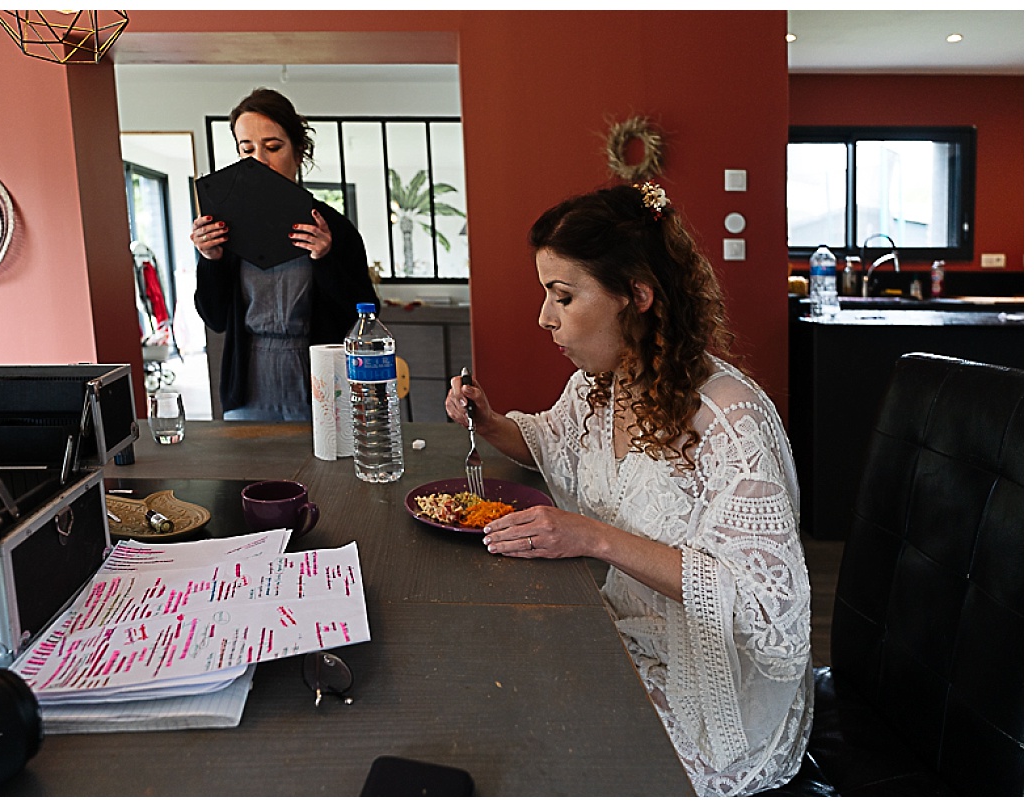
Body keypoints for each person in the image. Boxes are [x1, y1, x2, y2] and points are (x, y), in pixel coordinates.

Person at [445, 182, 812, 796]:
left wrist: (594, 538)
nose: (544, 317)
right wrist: (490, 424)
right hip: (632, 632)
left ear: (637, 296)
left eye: (563, 296)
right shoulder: (603, 384)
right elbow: (552, 442)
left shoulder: (728, 417)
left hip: (715, 687)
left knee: (539, 755)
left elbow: (767, 612)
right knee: (490, 688)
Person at [192, 87, 379, 420]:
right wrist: (210, 261)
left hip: (320, 384)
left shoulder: (334, 227)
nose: (259, 160)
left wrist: (326, 260)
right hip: (247, 387)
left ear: (299, 151)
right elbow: (215, 320)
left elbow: (364, 314)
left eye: (273, 147)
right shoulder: (226, 227)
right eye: (246, 148)